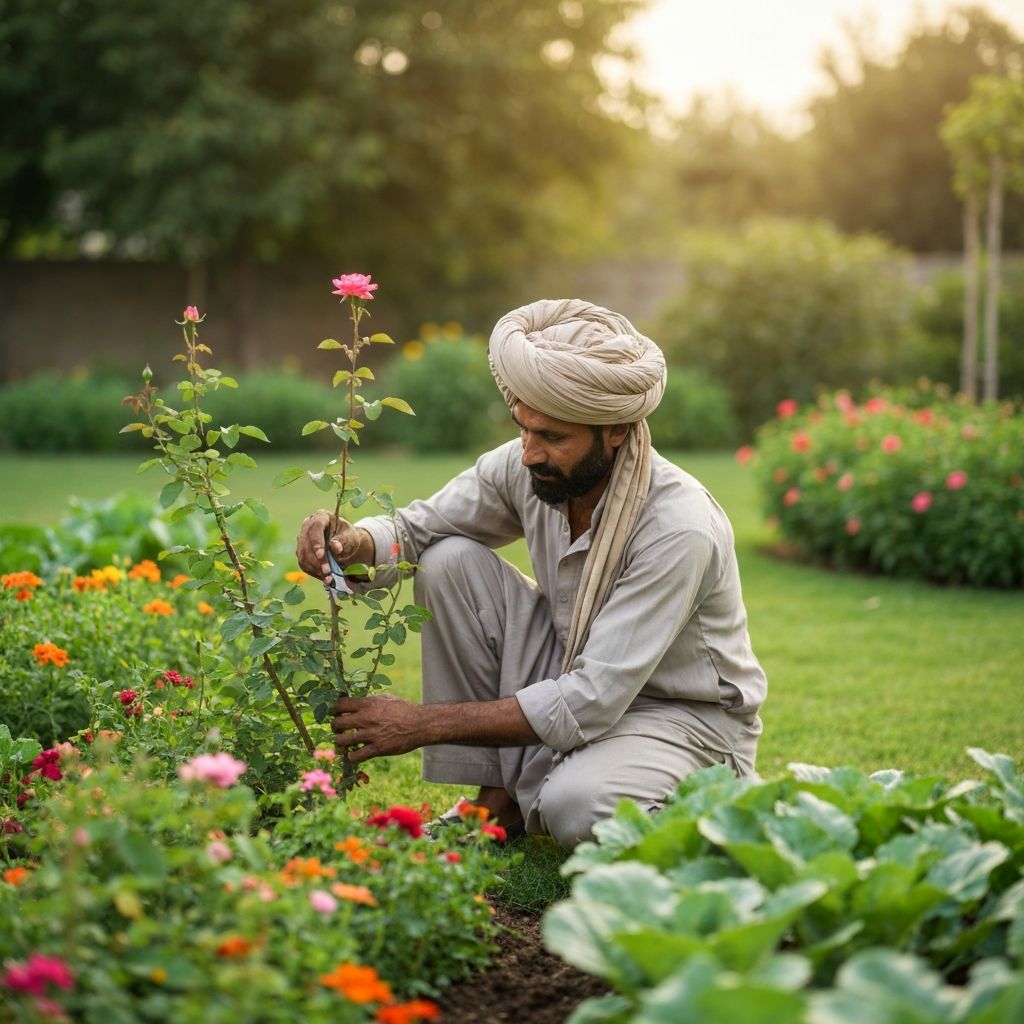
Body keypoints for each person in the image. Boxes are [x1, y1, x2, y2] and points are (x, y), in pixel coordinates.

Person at [295, 299, 766, 848]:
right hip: (575, 664)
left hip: (683, 716)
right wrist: (354, 542)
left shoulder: (678, 528)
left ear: (615, 431)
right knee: (449, 559)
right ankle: (497, 806)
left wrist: (423, 723)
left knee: (576, 806)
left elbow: (592, 696)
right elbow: (419, 528)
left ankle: (733, 807)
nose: (528, 455)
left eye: (553, 438)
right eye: (523, 428)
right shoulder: (526, 466)